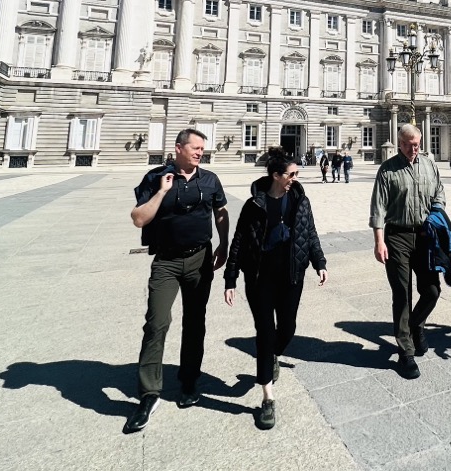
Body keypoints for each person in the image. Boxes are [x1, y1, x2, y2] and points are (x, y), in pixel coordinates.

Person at [126, 129, 230, 433]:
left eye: (202, 148)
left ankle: (188, 383)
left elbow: (221, 212)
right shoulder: (156, 177)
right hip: (166, 262)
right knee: (156, 323)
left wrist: (224, 244)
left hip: (200, 258)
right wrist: (161, 192)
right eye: (195, 147)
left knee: (195, 322)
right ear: (178, 148)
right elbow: (138, 218)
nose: (200, 152)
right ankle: (148, 394)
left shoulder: (209, 179)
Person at [224, 156, 328, 430]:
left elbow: (310, 233)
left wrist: (320, 263)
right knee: (265, 333)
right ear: (275, 175)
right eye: (291, 174)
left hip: (291, 275)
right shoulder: (253, 205)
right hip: (259, 278)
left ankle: (271, 356)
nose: (295, 178)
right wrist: (231, 277)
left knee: (288, 328)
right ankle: (268, 397)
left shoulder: (300, 200)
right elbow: (239, 241)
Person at [370, 124, 445, 379]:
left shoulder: (429, 165)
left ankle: (416, 325)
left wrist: (437, 215)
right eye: (410, 145)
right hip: (397, 236)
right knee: (402, 292)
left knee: (433, 291)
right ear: (399, 143)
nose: (415, 149)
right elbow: (378, 208)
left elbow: (439, 194)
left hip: (425, 235)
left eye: (418, 144)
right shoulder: (387, 170)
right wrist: (379, 241)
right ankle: (405, 352)